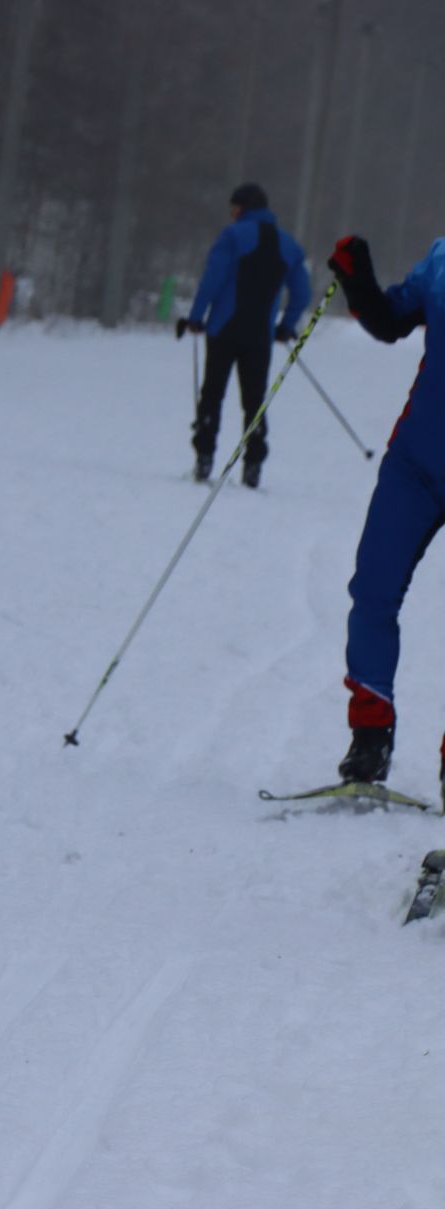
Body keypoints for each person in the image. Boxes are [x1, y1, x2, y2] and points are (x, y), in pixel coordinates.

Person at [327, 232, 445, 787]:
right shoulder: (442, 259)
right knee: (372, 592)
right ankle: (370, 737)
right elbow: (392, 318)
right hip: (417, 465)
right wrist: (358, 280)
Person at [175, 183, 311, 487]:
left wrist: (196, 317)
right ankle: (253, 465)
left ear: (244, 207)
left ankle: (205, 458)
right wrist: (286, 326)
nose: (231, 213)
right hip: (260, 336)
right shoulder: (289, 245)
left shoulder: (232, 236)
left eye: (234, 207)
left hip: (223, 328)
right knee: (254, 400)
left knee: (212, 394)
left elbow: (212, 279)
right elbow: (302, 293)